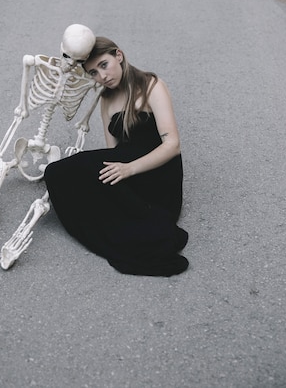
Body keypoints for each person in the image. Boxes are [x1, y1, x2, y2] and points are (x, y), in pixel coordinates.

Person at [43, 36, 188, 276]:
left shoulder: (151, 85)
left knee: (72, 169)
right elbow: (112, 153)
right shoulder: (106, 99)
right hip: (127, 168)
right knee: (58, 173)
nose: (102, 77)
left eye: (104, 65)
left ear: (118, 55)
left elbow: (172, 145)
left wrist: (128, 169)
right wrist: (113, 171)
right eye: (93, 73)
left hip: (158, 173)